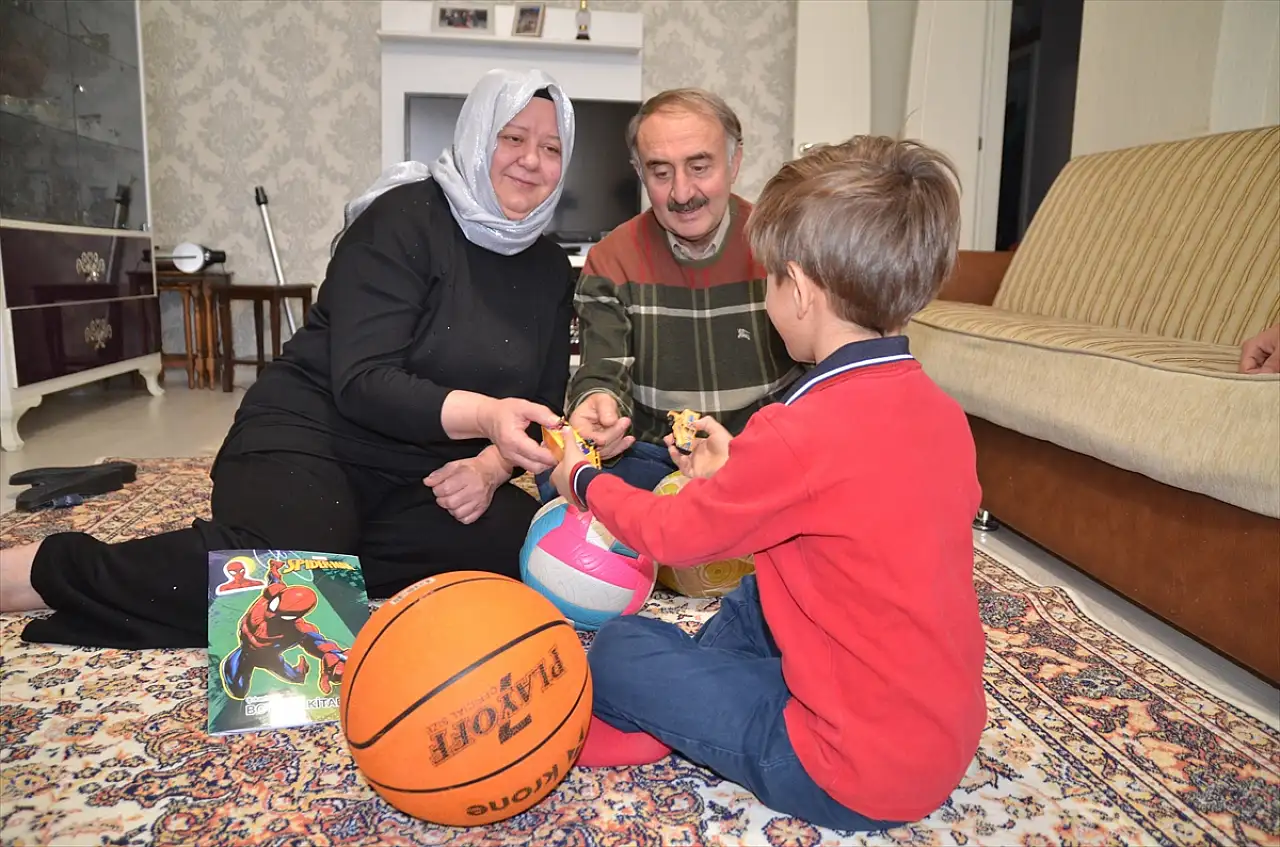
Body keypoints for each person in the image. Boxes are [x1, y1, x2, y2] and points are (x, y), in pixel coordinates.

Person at [0, 69, 578, 649]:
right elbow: (364, 382)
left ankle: (315, 555)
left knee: (519, 550)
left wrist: (488, 467)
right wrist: (484, 418)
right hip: (314, 429)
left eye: (551, 148)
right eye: (513, 137)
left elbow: (541, 407)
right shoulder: (404, 217)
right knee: (298, 583)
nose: (532, 160)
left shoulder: (552, 269)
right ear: (479, 135)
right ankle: (48, 570)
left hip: (421, 471)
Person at [546, 137, 987, 831]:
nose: (768, 293)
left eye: (771, 281)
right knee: (771, 580)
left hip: (841, 771)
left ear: (802, 291)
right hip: (938, 744)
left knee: (622, 650)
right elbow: (857, 506)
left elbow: (673, 536)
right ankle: (692, 701)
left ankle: (672, 714)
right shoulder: (941, 411)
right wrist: (737, 470)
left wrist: (581, 479)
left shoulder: (797, 429)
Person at [536, 89, 803, 500]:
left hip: (761, 452)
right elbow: (603, 370)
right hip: (654, 454)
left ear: (734, 162)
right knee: (557, 483)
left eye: (699, 167)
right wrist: (598, 406)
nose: (681, 193)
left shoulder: (786, 245)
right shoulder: (611, 258)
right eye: (661, 173)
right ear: (639, 172)